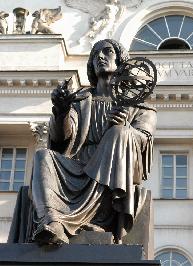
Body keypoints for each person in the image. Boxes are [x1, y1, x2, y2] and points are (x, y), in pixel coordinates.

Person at [30, 39, 157, 245]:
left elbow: (144, 140)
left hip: (112, 172)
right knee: (42, 155)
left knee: (119, 134)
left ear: (121, 61)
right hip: (77, 167)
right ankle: (52, 221)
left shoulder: (139, 107)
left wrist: (126, 128)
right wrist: (61, 111)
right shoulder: (80, 101)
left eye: (107, 52)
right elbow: (61, 139)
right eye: (95, 54)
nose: (100, 57)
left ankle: (97, 219)